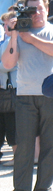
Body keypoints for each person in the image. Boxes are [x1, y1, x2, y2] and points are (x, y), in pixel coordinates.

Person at [2, 0, 53, 191]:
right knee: (24, 147)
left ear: (47, 9)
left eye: (40, 8)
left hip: (52, 95)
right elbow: (8, 63)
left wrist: (30, 38)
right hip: (24, 96)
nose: (36, 13)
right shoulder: (21, 34)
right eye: (31, 10)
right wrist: (14, 35)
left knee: (51, 145)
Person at [0, 11, 18, 163]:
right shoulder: (4, 41)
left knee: (12, 125)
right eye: (5, 24)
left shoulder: (12, 41)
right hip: (5, 89)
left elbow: (8, 65)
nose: (6, 27)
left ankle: (16, 156)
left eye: (9, 24)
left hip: (11, 88)